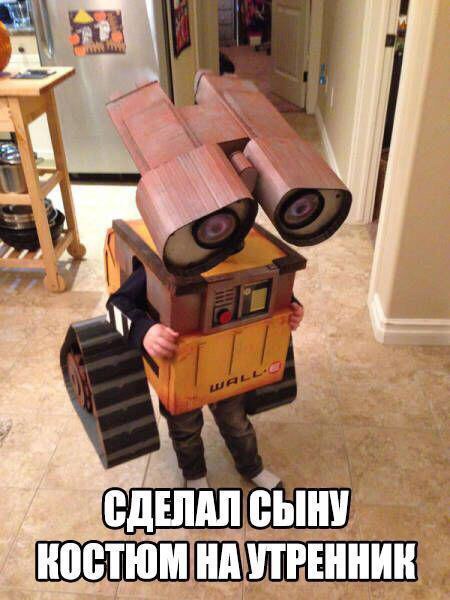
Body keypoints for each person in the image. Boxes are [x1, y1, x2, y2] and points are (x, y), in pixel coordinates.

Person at [107, 265, 304, 489]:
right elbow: (114, 305)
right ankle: (194, 474)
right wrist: (144, 330)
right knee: (185, 429)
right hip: (182, 373)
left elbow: (273, 286)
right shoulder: (159, 265)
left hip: (229, 365)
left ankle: (251, 466)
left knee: (236, 422)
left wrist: (292, 306)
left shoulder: (244, 259)